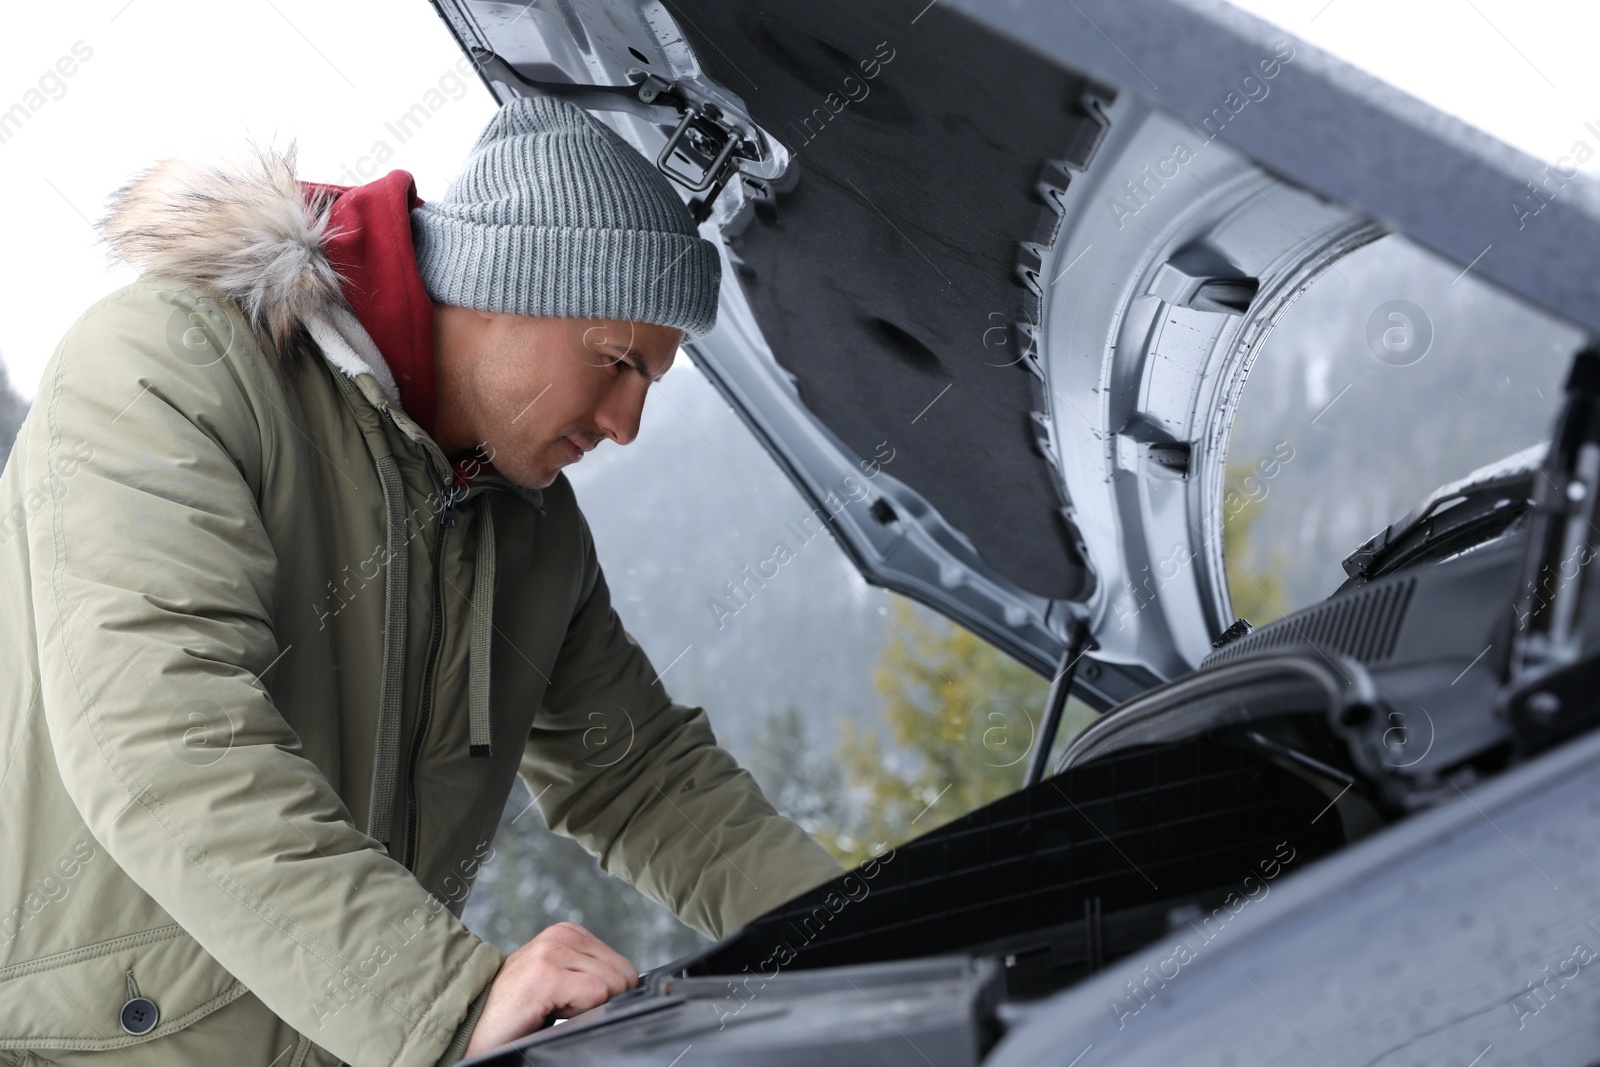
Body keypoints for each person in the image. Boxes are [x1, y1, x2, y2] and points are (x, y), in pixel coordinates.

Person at [0, 95, 844, 1066]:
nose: (626, 423)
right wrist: (440, 1002)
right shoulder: (170, 363)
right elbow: (155, 731)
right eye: (618, 363)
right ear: (505, 286)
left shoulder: (531, 530)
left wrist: (881, 931)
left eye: (651, 381)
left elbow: (641, 776)